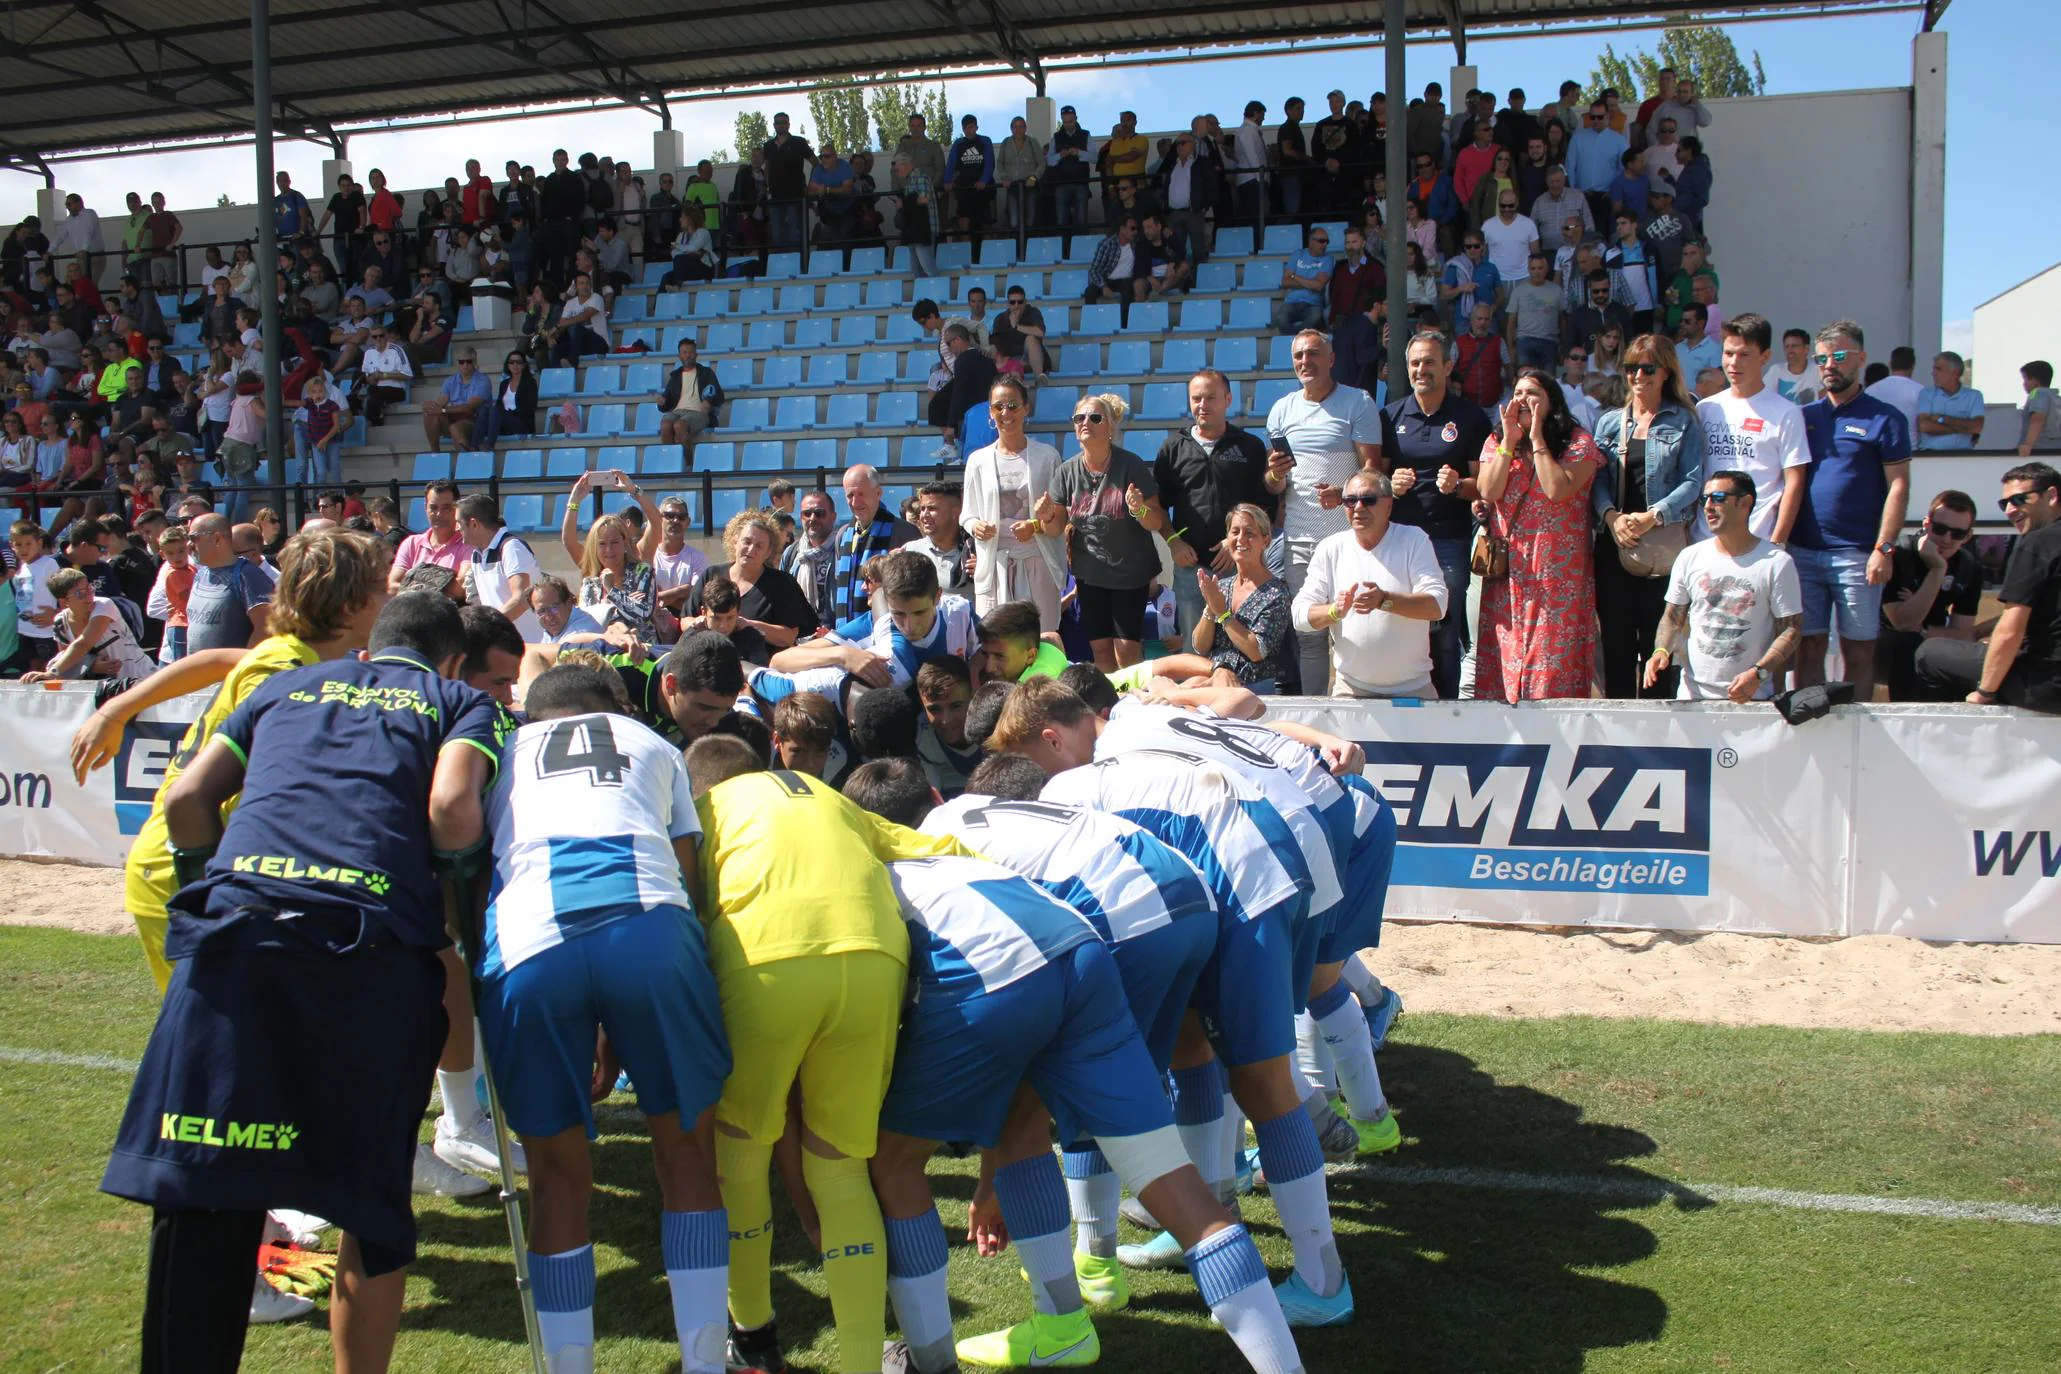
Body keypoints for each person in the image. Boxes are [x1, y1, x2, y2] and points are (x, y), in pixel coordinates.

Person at [101, 591, 510, 1374]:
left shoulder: (283, 686)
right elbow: (453, 807)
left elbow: (188, 799)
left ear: (373, 644)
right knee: (369, 1206)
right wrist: (454, 914)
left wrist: (211, 887)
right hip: (366, 959)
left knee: (206, 1194)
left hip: (235, 947)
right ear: (452, 659)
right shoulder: (458, 701)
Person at [991, 682, 1360, 1326]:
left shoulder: (1071, 786)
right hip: (1288, 838)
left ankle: (1321, 1281)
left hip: (1241, 862)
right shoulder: (1140, 721)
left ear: (1050, 738)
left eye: (1033, 758)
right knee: (1195, 1043)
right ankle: (1204, 1213)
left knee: (1235, 1077)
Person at [473, 665, 732, 1374]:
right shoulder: (650, 741)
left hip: (530, 942)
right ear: (611, 707)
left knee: (556, 1179)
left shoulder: (496, 750)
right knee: (686, 1154)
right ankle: (707, 1362)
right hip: (649, 928)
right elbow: (685, 868)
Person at [686, 737, 963, 1374]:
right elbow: (935, 845)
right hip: (873, 958)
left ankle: (754, 1341)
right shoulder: (831, 799)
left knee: (740, 1154)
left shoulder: (703, 813)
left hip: (766, 965)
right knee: (840, 1170)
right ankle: (863, 1363)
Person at [1791, 320, 1911, 700]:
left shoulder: (1886, 418)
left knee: (1858, 650)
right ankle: (1808, 724)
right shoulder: (1803, 416)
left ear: (1861, 358)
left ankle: (1855, 734)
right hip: (1802, 551)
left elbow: (1899, 486)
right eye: (1822, 358)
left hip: (1858, 555)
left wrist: (1884, 548)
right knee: (1806, 647)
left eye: (1839, 356)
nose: (1829, 365)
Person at [1266, 330, 1383, 694]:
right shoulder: (1281, 410)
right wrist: (1275, 473)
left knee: (1353, 630)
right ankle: (1319, 712)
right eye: (1299, 355)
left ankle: (1354, 709)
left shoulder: (1358, 403)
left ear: (1331, 359)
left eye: (1314, 353)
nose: (1306, 362)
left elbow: (1373, 471)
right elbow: (1272, 487)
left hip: (1347, 539)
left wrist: (1346, 495)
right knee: (1310, 634)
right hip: (1299, 542)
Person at [1475, 368, 1603, 701]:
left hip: (1556, 576)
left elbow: (1557, 489)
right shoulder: (1498, 440)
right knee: (1507, 658)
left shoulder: (1578, 443)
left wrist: (1536, 440)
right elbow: (1488, 489)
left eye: (1532, 393)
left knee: (1549, 663)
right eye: (1517, 393)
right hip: (1509, 573)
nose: (1522, 399)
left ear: (1552, 401)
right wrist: (1509, 442)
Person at [1591, 333, 1705, 698]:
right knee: (1617, 645)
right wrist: (1611, 518)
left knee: (1658, 645)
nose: (1638, 376)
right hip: (1615, 545)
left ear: (1666, 372)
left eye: (1647, 368)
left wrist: (1653, 515)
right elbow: (1597, 481)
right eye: (1631, 368)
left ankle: (1658, 729)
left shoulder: (1684, 420)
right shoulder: (1609, 423)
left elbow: (1692, 482)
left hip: (1663, 546)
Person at [1382, 331, 1491, 699]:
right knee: (1400, 627)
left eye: (1429, 362)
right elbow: (1374, 480)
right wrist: (1390, 484)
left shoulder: (1471, 417)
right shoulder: (1391, 415)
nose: (1421, 369)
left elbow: (1486, 485)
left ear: (1447, 366)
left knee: (1445, 631)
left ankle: (1445, 711)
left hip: (1449, 540)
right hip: (1397, 542)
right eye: (1414, 363)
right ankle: (1404, 702)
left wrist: (1460, 485)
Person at [1915, 463, 2061, 712]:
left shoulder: (2036, 542)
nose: (2010, 510)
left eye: (2019, 499)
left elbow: (2010, 630)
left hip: (2044, 686)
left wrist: (1985, 692)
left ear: (2051, 496)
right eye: (2004, 504)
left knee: (1928, 653)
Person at [1648, 470, 1804, 701]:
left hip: (1752, 700)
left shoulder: (1777, 562)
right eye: (1705, 499)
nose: (1708, 506)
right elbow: (1672, 618)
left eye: (1718, 498)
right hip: (1693, 699)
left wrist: (1758, 673)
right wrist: (1661, 651)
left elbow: (1791, 630)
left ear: (1745, 503)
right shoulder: (1690, 556)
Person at [1291, 470, 1447, 698]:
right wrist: (1334, 611)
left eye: (1368, 500)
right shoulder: (1330, 548)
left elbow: (1437, 606)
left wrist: (1386, 601)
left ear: (1389, 505)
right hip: (1350, 691)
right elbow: (1299, 616)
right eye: (1350, 501)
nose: (1358, 507)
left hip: (1413, 690)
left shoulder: (1414, 540)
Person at [1154, 370, 1284, 644]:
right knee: (1195, 645)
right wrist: (1173, 542)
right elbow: (1158, 507)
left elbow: (1265, 506)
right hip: (1191, 568)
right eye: (1196, 398)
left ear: (1228, 399)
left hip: (1241, 565)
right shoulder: (1172, 448)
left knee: (1242, 642)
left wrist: (1234, 542)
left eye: (1211, 398)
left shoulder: (1249, 447)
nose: (1203, 405)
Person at [1043, 392, 1167, 670]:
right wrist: (1045, 516)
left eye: (1095, 417)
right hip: (1090, 576)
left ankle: (1133, 707)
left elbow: (1156, 521)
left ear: (1110, 428)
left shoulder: (1130, 465)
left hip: (1130, 575)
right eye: (1080, 418)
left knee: (1127, 653)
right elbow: (1053, 529)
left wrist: (1138, 509)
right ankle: (1110, 708)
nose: (1086, 422)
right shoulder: (1066, 472)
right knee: (1100, 653)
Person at [963, 376, 1068, 629]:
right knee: (996, 639)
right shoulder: (977, 460)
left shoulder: (1047, 457)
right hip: (994, 565)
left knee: (1043, 636)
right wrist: (975, 525)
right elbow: (967, 514)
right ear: (990, 411)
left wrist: (1035, 524)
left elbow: (1060, 517)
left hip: (1038, 561)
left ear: (1026, 408)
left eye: (1012, 405)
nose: (1005, 412)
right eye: (999, 406)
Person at [1696, 315, 1809, 544]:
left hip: (1759, 542)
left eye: (1744, 354)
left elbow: (1794, 483)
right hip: (1704, 542)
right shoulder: (1705, 408)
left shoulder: (1786, 413)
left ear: (1765, 356)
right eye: (1728, 353)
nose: (1734, 363)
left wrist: (1777, 543)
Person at [1876, 491, 1983, 701]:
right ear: (1926, 524)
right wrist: (1937, 570)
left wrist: (1925, 629)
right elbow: (1904, 624)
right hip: (1884, 645)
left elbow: (1962, 633)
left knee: (1961, 657)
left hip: (1930, 642)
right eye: (1940, 529)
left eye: (1957, 534)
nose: (1946, 539)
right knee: (1908, 643)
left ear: (1968, 536)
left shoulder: (1968, 567)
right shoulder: (1901, 554)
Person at [688, 509, 816, 650]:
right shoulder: (711, 574)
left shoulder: (782, 583)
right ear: (735, 542)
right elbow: (685, 620)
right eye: (747, 542)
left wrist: (749, 624)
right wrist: (701, 622)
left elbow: (788, 637)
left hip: (759, 665)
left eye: (759, 546)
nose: (751, 549)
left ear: (768, 552)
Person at [564, 473, 666, 645]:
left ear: (625, 542)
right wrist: (574, 501)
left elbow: (641, 614)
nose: (609, 550)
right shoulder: (591, 578)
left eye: (615, 542)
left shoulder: (641, 569)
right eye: (602, 544)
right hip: (601, 654)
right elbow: (568, 540)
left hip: (640, 653)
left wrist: (634, 491)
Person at [22, 565, 155, 682]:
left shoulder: (104, 605)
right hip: (106, 688)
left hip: (141, 678)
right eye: (81, 593)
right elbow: (67, 659)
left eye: (89, 589)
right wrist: (93, 666)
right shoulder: (60, 622)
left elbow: (83, 644)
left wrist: (52, 673)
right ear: (64, 601)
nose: (89, 596)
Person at [183, 514, 273, 652]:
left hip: (235, 672)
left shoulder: (248, 575)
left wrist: (242, 666)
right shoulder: (200, 574)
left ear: (217, 539)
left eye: (194, 538)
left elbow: (267, 627)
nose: (189, 545)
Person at [658, 337, 724, 458]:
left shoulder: (706, 373)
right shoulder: (675, 376)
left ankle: (688, 463)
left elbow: (719, 395)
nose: (688, 355)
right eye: (684, 352)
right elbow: (667, 402)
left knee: (679, 425)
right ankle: (670, 459)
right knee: (665, 425)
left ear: (696, 354)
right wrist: (662, 403)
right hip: (678, 411)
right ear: (679, 355)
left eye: (691, 352)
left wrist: (708, 401)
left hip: (698, 412)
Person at [1914, 350, 1986, 452]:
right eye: (1934, 369)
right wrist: (1963, 429)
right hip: (1930, 456)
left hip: (1964, 457)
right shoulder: (1926, 394)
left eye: (1938, 369)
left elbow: (1976, 427)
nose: (1933, 373)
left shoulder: (1974, 396)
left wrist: (1942, 419)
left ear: (1955, 373)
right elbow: (1924, 426)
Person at [2016, 360, 2058, 456]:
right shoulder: (2055, 397)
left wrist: (2028, 445)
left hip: (2037, 450)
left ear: (2035, 381)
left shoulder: (2037, 394)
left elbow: (2038, 419)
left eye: (2025, 379)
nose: (2024, 384)